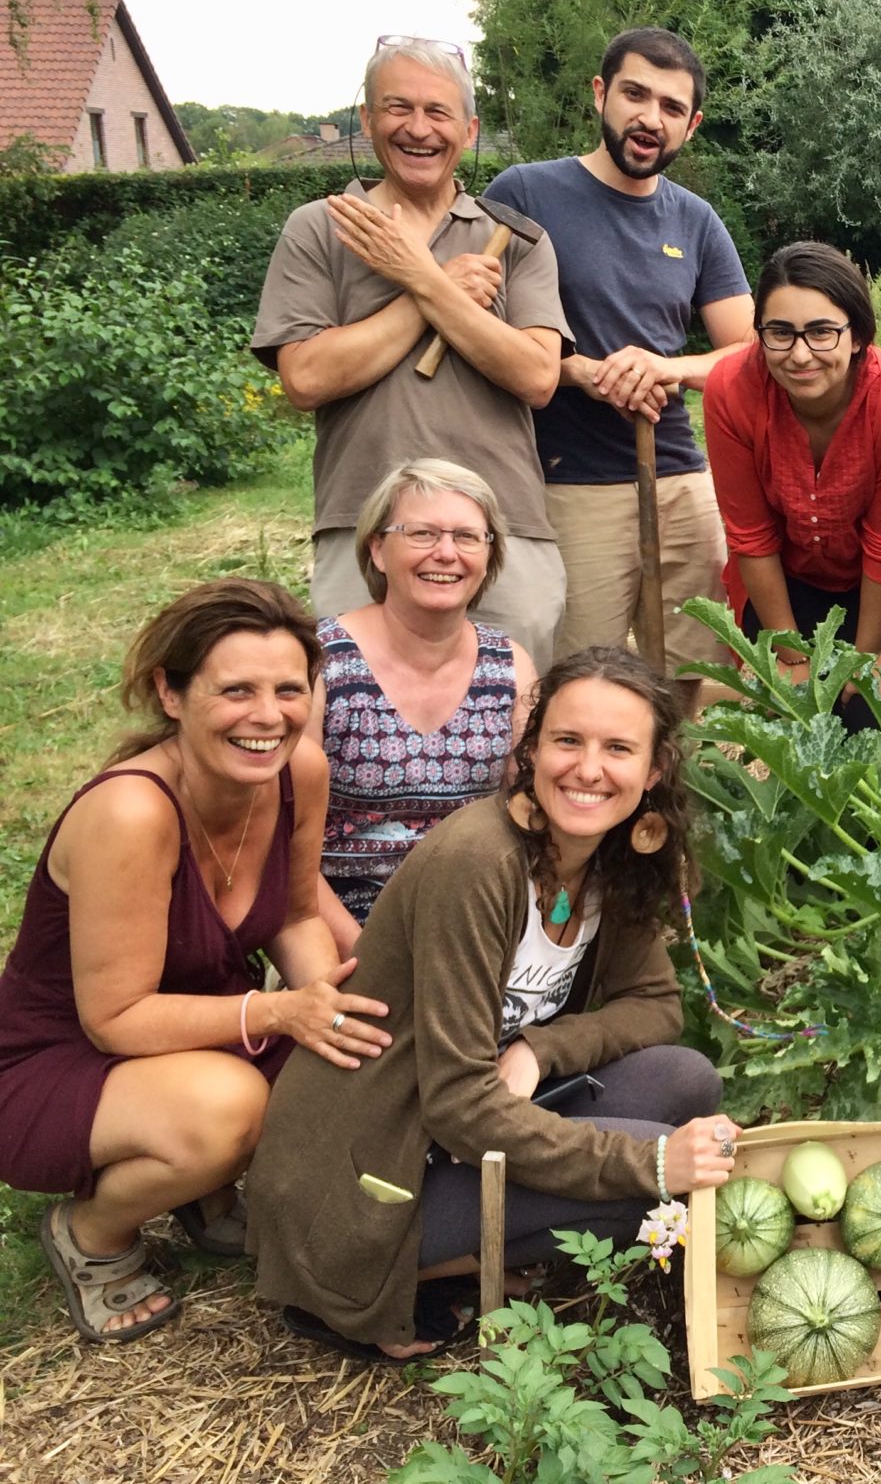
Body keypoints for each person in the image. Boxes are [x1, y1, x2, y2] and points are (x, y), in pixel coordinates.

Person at [247, 646, 734, 1362]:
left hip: (466, 1123)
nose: (588, 769)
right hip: (376, 1161)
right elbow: (458, 1104)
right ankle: (400, 1276)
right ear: (531, 749)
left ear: (654, 770)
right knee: (650, 1195)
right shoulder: (480, 863)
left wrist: (541, 1049)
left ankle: (486, 1247)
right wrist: (651, 1161)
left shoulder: (613, 851)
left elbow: (656, 1004)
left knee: (687, 1080)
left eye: (618, 748)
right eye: (567, 740)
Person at [0, 579, 390, 1344]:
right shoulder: (132, 812)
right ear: (169, 694)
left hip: (200, 1028)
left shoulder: (297, 771)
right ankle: (93, 1233)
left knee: (359, 1058)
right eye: (235, 690)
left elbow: (299, 915)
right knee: (230, 1109)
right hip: (62, 1058)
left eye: (288, 689)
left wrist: (332, 1010)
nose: (267, 716)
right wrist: (282, 1012)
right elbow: (113, 1018)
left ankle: (203, 1193)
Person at [253, 34, 571, 665]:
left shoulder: (516, 240)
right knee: (359, 727)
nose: (418, 129)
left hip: (502, 525)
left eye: (438, 112)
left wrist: (419, 275)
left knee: (514, 726)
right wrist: (434, 288)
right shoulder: (321, 227)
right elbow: (306, 378)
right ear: (368, 119)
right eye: (398, 109)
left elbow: (537, 377)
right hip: (361, 525)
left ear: (470, 128)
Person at [485, 27, 753, 697]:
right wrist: (578, 371)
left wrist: (670, 369)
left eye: (670, 107)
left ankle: (699, 801)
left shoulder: (696, 220)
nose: (649, 118)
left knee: (704, 679)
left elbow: (749, 352)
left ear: (690, 126)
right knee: (582, 677)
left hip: (679, 477)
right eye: (635, 94)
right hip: (570, 482)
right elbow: (480, 331)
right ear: (601, 95)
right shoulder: (526, 194)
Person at [703, 242, 881, 758]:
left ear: (857, 336)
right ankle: (805, 833)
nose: (801, 353)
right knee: (794, 711)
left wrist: (865, 659)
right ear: (760, 333)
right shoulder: (731, 389)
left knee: (871, 713)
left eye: (822, 331)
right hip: (785, 569)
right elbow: (751, 535)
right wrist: (790, 657)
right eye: (780, 333)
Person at [314, 460, 538, 955]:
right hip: (339, 922)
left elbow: (533, 815)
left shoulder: (511, 667)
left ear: (488, 555)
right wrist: (369, 957)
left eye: (467, 536)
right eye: (421, 533)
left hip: (473, 918)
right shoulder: (322, 663)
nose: (446, 553)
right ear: (376, 548)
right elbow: (278, 842)